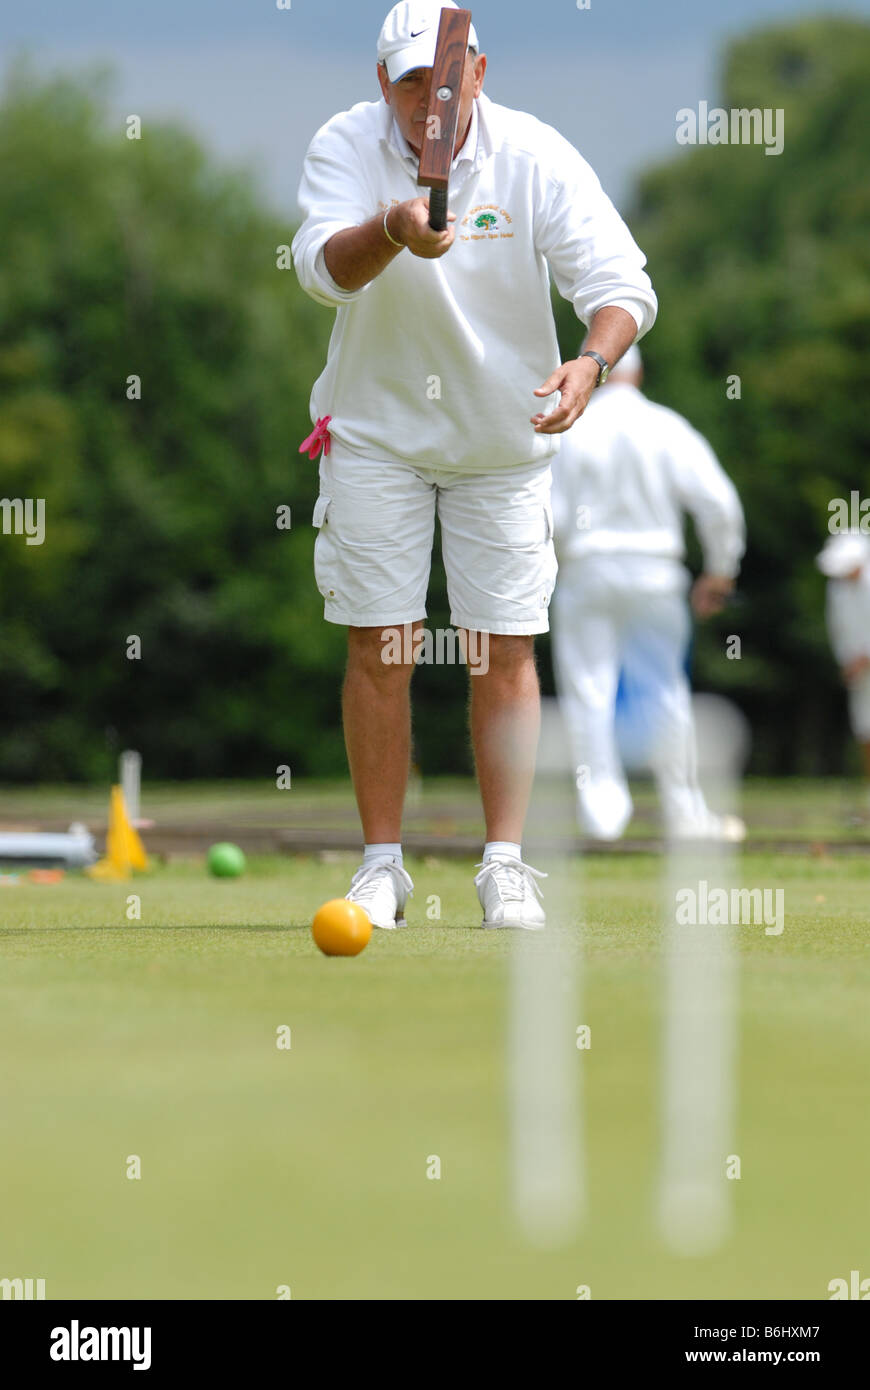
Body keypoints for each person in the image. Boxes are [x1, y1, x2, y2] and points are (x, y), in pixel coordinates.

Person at [292, 0, 657, 928]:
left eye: (443, 79)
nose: (428, 98)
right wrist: (393, 230)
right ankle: (383, 867)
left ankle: (504, 865)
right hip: (376, 434)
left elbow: (622, 287)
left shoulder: (534, 153)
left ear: (479, 75)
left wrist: (592, 361)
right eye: (409, 80)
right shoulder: (344, 142)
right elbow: (320, 271)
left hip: (506, 440)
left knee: (503, 647)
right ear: (384, 84)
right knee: (381, 643)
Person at [550, 345, 746, 842]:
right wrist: (720, 571)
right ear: (639, 374)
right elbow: (718, 502)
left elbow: (547, 513)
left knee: (588, 691)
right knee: (665, 691)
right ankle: (685, 812)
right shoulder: (666, 426)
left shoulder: (571, 427)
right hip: (657, 573)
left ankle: (601, 816)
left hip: (587, 569)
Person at [816, 531, 870, 798]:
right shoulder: (837, 588)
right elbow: (838, 628)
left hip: (864, 663)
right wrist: (847, 660)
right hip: (859, 672)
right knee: (865, 727)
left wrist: (865, 657)